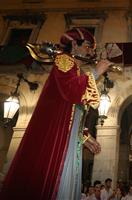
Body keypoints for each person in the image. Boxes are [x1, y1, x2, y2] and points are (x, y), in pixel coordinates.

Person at [0, 27, 112, 199]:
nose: (91, 51)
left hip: (67, 137)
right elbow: (71, 91)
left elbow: (72, 111)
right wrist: (96, 72)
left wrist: (84, 137)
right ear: (74, 44)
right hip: (56, 136)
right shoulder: (64, 60)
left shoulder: (76, 70)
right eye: (88, 46)